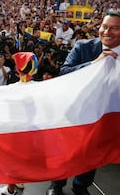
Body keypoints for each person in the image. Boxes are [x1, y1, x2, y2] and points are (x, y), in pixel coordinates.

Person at [46, 10, 120, 195]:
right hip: (75, 111)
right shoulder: (83, 47)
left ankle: (81, 185)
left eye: (115, 28)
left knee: (93, 152)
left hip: (105, 114)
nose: (107, 32)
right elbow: (64, 72)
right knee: (65, 150)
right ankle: (57, 184)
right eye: (104, 26)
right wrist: (94, 63)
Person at [0, 52, 39, 195]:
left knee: (12, 160)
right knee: (24, 158)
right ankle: (21, 181)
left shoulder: (13, 89)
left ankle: (10, 189)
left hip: (15, 131)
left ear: (18, 69)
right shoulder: (40, 87)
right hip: (32, 131)